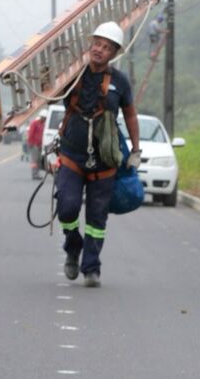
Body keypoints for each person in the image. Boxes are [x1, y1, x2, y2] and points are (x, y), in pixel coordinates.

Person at [55, 21, 141, 288]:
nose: (100, 50)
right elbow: (48, 93)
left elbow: (129, 115)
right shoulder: (72, 75)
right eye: (97, 44)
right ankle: (73, 246)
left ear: (114, 53)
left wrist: (136, 149)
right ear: (90, 46)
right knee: (67, 208)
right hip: (71, 154)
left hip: (105, 160)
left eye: (106, 47)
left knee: (97, 217)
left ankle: (91, 267)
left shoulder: (120, 82)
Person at [27, 111, 45, 179]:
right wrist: (30, 143)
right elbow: (31, 133)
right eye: (44, 118)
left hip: (39, 145)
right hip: (34, 144)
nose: (44, 120)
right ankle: (34, 174)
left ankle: (37, 173)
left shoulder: (42, 124)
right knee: (34, 160)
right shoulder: (35, 123)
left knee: (38, 160)